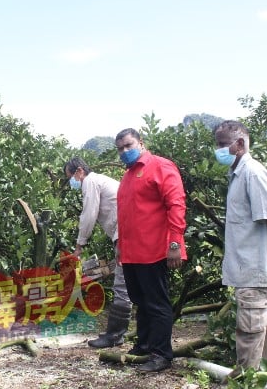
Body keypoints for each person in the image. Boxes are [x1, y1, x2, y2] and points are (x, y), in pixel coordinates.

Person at [213, 120, 267, 376]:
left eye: (223, 144)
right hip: (253, 268)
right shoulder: (238, 174)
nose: (218, 150)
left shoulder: (252, 173)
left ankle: (246, 380)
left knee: (250, 332)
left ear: (240, 144)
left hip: (254, 269)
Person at [115, 127, 187, 373]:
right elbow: (125, 216)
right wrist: (120, 247)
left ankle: (161, 354)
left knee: (156, 303)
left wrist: (175, 243)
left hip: (155, 249)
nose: (125, 151)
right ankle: (144, 345)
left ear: (141, 143)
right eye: (120, 148)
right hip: (132, 252)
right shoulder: (126, 176)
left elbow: (176, 205)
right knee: (140, 301)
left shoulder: (161, 166)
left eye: (128, 145)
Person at [63, 157, 132, 348]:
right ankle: (128, 333)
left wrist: (79, 246)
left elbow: (89, 214)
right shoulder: (101, 180)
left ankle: (114, 336)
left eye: (71, 177)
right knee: (132, 283)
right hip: (127, 232)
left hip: (126, 233)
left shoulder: (91, 182)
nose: (72, 182)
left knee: (122, 284)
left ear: (79, 171)